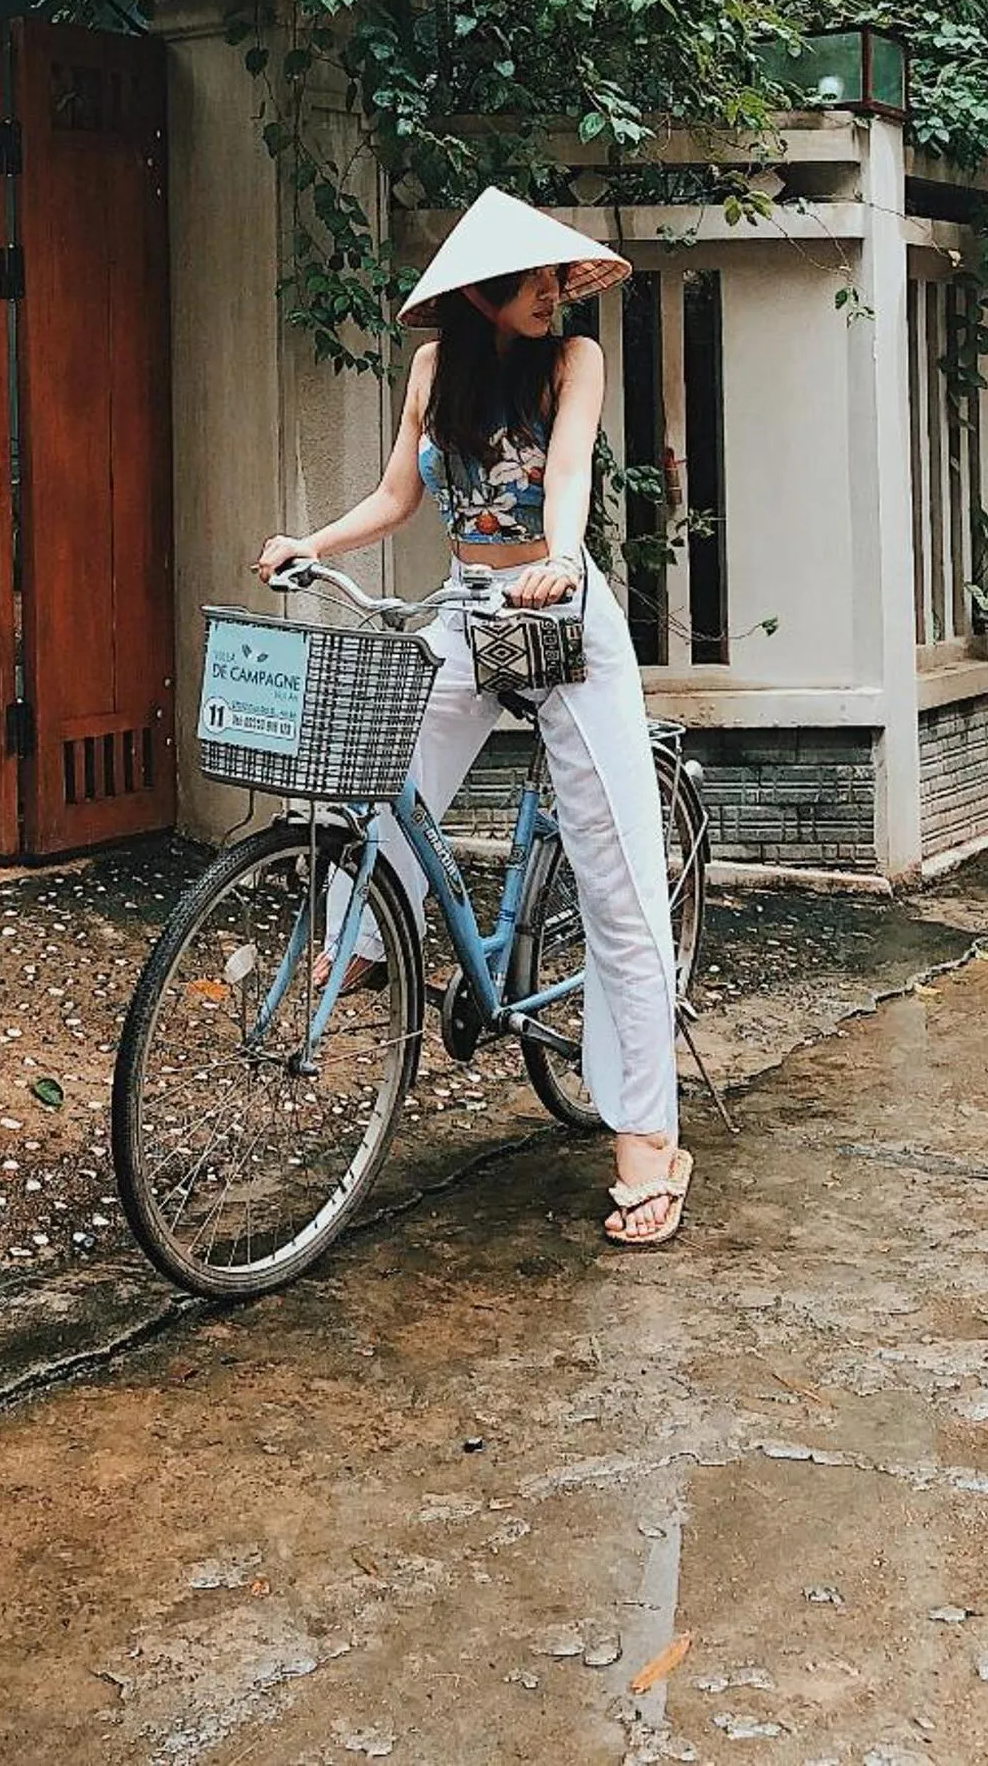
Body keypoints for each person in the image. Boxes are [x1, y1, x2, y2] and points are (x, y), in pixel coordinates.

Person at [256, 187, 690, 1247]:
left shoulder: (570, 363)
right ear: (478, 296)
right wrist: (313, 541)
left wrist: (555, 561)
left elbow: (573, 474)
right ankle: (370, 938)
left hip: (561, 612)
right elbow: (398, 498)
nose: (550, 295)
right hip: (466, 609)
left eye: (553, 280)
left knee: (617, 879)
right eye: (530, 282)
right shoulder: (433, 371)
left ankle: (646, 1136)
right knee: (387, 787)